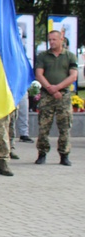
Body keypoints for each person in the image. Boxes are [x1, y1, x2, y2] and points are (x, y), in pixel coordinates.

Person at [34, 30, 78, 166]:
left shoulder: (70, 56)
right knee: (43, 126)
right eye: (50, 40)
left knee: (65, 126)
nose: (52, 42)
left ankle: (64, 154)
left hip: (63, 96)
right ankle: (42, 153)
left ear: (61, 40)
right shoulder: (43, 56)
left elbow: (73, 76)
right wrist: (50, 89)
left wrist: (58, 87)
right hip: (47, 95)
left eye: (54, 39)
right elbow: (39, 74)